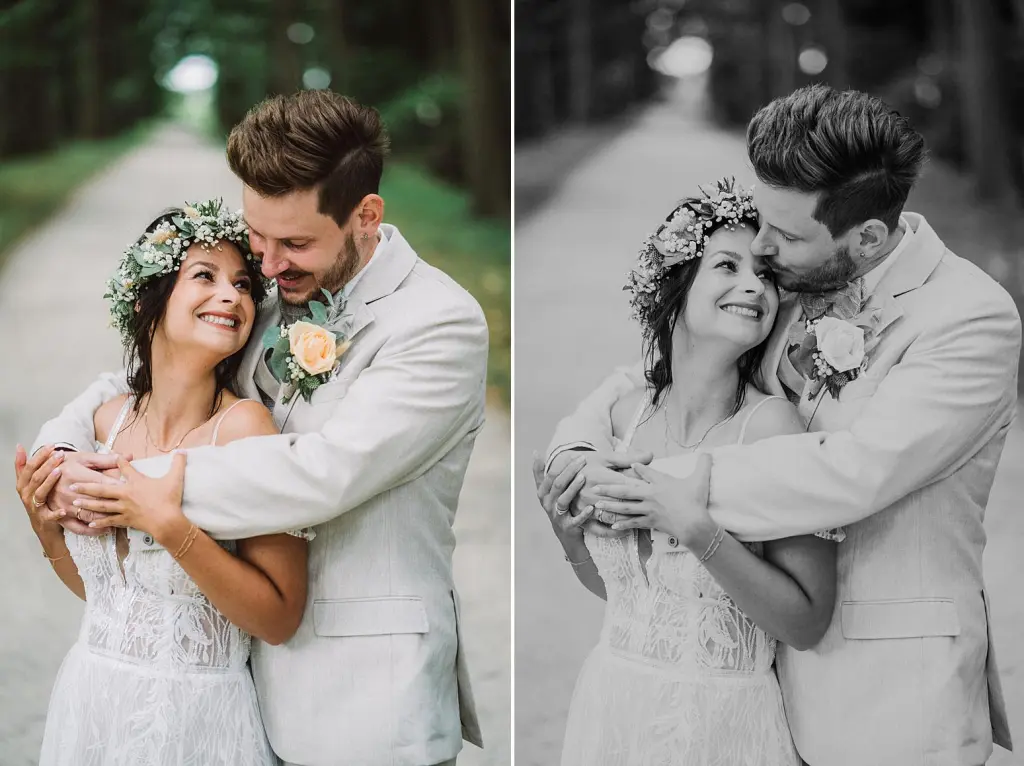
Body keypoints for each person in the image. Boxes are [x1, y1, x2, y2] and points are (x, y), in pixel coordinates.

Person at [544, 85, 1018, 766]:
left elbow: (855, 472)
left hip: (893, 701)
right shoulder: (793, 279)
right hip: (756, 686)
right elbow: (664, 381)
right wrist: (582, 451)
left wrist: (650, 482)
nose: (763, 251)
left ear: (870, 238)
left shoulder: (971, 320)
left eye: (786, 234)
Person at [31, 90, 487, 766]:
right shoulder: (274, 290)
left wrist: (125, 488)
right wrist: (62, 458)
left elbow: (325, 474)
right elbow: (134, 387)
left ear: (366, 215)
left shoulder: (439, 325)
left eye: (295, 243)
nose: (268, 268)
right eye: (259, 237)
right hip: (234, 696)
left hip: (365, 706)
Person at [534, 179, 839, 765]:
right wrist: (569, 537)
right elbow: (630, 600)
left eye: (766, 276)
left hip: (721, 727)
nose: (754, 285)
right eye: (727, 266)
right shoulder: (624, 418)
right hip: (613, 710)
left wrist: (697, 530)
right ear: (674, 288)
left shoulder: (770, 429)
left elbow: (806, 621)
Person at [15, 200, 305, 764]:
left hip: (196, 721)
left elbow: (279, 617)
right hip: (92, 702)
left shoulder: (244, 429)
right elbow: (119, 605)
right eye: (205, 276)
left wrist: (170, 527)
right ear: (150, 299)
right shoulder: (108, 421)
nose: (233, 296)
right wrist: (47, 533)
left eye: (244, 284)